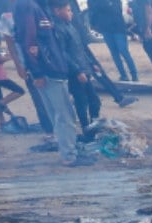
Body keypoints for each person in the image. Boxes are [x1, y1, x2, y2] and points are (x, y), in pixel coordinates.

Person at [15, 0, 91, 165]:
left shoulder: (40, 8)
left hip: (52, 71)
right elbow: (28, 42)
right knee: (65, 116)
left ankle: (69, 151)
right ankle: (69, 156)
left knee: (61, 116)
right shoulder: (29, 7)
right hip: (49, 73)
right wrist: (37, 72)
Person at [0, 1, 53, 135]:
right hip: (28, 64)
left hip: (47, 62)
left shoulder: (37, 9)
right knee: (39, 98)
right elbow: (10, 44)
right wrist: (19, 66)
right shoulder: (7, 17)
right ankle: (49, 130)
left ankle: (56, 128)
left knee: (52, 97)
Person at [50, 0, 98, 133]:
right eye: (68, 10)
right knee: (81, 102)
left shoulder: (69, 26)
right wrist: (77, 71)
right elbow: (63, 53)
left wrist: (91, 64)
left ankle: (94, 127)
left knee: (95, 101)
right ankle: (86, 129)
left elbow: (79, 49)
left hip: (83, 69)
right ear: (57, 11)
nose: (71, 13)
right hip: (74, 73)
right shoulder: (57, 29)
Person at [88, 0, 138, 81]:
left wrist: (101, 7)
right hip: (106, 28)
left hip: (118, 27)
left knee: (123, 51)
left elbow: (115, 9)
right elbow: (92, 10)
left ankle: (134, 75)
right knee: (115, 53)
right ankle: (123, 75)